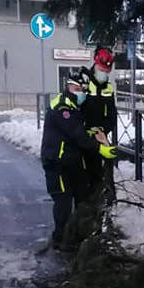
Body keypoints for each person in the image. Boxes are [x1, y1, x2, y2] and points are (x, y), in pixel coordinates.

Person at [40, 69, 117, 251]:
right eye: (78, 89)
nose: (82, 93)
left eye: (83, 90)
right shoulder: (63, 108)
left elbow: (80, 131)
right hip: (57, 163)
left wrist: (93, 133)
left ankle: (78, 235)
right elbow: (76, 134)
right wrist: (101, 149)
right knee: (63, 201)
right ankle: (60, 240)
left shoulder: (74, 108)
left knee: (83, 197)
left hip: (72, 163)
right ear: (69, 88)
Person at [82, 47, 117, 193]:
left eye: (106, 72)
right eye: (101, 70)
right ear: (95, 66)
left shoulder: (108, 88)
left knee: (104, 174)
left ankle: (103, 204)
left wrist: (103, 130)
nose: (104, 74)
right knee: (82, 177)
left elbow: (112, 115)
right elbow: (75, 111)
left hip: (100, 136)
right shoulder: (82, 83)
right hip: (81, 136)